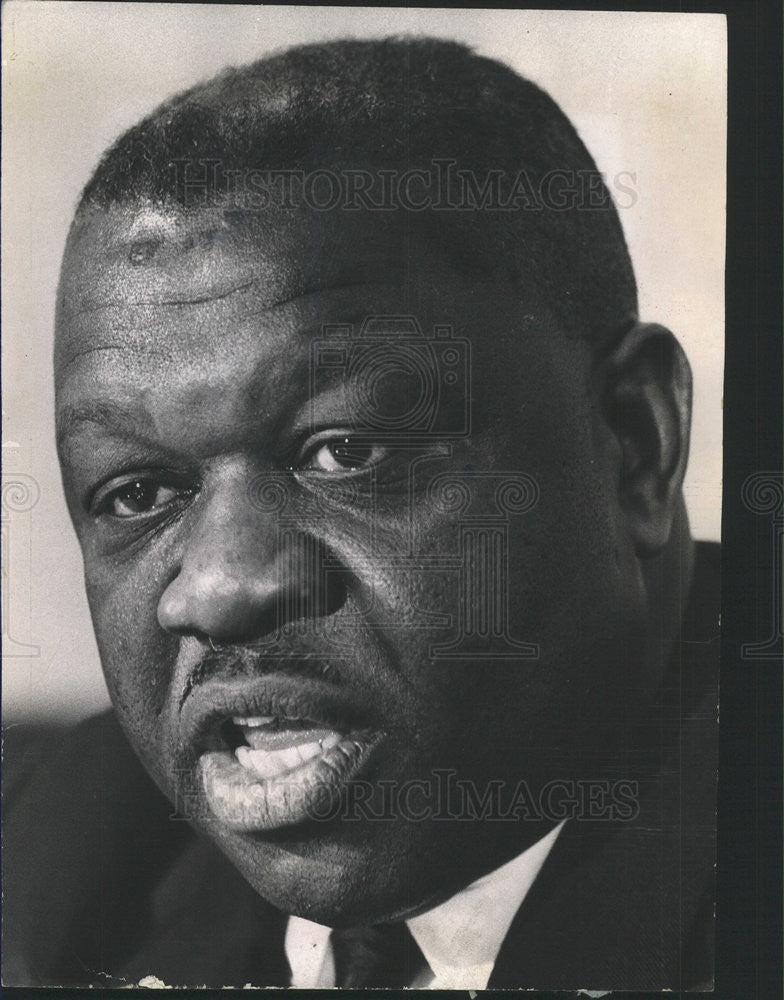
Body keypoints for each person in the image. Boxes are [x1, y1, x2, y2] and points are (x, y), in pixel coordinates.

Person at [3, 36, 719, 990]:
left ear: (634, 445)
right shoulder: (48, 869)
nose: (216, 590)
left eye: (348, 452)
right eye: (140, 493)